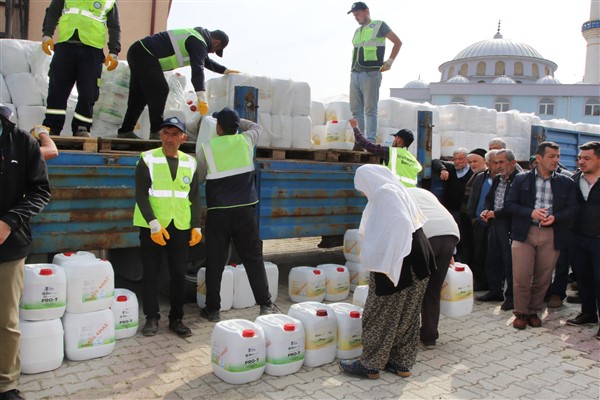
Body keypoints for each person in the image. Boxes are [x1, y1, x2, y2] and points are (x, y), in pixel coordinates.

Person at [339, 164, 434, 379]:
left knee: (379, 312)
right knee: (408, 314)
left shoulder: (383, 193)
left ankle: (370, 365)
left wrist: (391, 259)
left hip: (400, 260)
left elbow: (399, 224)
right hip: (419, 257)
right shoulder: (395, 188)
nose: (362, 192)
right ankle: (401, 363)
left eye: (361, 187)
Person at [197, 107, 278, 322]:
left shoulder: (208, 148)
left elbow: (200, 177)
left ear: (219, 128)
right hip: (244, 211)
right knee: (252, 258)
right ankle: (266, 304)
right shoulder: (246, 141)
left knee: (215, 261)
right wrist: (236, 120)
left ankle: (213, 309)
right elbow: (256, 126)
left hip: (219, 213)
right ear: (236, 127)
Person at [133, 116, 202, 338]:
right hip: (153, 227)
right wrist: (153, 224)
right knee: (151, 274)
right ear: (160, 135)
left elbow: (194, 197)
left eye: (174, 134)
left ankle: (177, 319)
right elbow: (141, 195)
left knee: (178, 275)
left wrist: (196, 226)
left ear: (184, 137)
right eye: (165, 133)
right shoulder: (147, 159)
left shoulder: (190, 162)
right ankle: (151, 318)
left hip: (180, 227)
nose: (169, 138)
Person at [0, 105, 51, 400]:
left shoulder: (22, 142)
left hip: (9, 244)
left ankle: (6, 385)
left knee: (5, 319)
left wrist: (9, 221)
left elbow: (40, 190)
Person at [118, 27, 238, 140]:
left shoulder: (196, 38)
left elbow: (205, 61)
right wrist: (201, 95)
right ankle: (156, 131)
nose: (212, 53)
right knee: (161, 89)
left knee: (139, 96)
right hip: (145, 53)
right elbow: (198, 69)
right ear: (216, 42)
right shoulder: (198, 41)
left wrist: (224, 70)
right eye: (215, 51)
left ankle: (125, 131)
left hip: (137, 51)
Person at [505, 142, 577, 330]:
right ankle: (520, 312)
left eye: (558, 156)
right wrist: (531, 213)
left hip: (551, 233)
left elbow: (573, 208)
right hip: (524, 232)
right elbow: (509, 204)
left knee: (543, 277)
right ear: (539, 158)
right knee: (521, 275)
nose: (556, 160)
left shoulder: (565, 182)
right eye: (552, 156)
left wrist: (556, 217)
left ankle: (534, 311)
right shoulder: (521, 179)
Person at [41, 0, 121, 137]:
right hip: (65, 46)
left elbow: (114, 26)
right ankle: (52, 127)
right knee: (57, 89)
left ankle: (81, 127)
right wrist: (47, 34)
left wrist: (114, 51)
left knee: (88, 92)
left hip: (92, 50)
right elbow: (53, 12)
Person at [407, 187, 459, 348]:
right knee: (433, 288)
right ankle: (429, 337)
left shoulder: (398, 195)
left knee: (413, 288)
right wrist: (450, 252)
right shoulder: (424, 192)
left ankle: (406, 336)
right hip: (451, 233)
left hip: (427, 236)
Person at [348, 2, 401, 142]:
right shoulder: (357, 31)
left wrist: (390, 61)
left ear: (366, 11)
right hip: (355, 73)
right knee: (356, 110)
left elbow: (398, 42)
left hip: (371, 73)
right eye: (354, 15)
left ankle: (370, 140)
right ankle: (359, 140)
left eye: (358, 14)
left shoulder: (379, 25)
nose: (356, 17)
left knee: (370, 109)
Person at [477, 149, 519, 311]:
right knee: (493, 259)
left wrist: (496, 213)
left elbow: (514, 205)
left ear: (513, 163)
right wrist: (486, 210)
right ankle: (495, 291)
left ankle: (512, 298)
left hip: (509, 225)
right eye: (496, 162)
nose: (498, 165)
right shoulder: (498, 179)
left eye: (502, 162)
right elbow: (489, 199)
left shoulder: (519, 180)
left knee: (509, 263)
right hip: (494, 223)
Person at [566, 141, 600, 340]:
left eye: (587, 158)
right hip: (578, 238)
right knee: (584, 277)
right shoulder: (574, 179)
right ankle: (588, 313)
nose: (581, 162)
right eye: (580, 158)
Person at [350, 118, 422, 187]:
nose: (393, 141)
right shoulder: (414, 160)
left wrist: (355, 127)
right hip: (409, 195)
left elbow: (365, 144)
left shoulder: (390, 152)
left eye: (395, 138)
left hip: (394, 192)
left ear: (399, 140)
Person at [432, 148, 473, 263]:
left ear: (467, 160)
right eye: (455, 159)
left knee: (463, 239)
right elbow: (435, 161)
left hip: (464, 212)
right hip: (450, 211)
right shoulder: (450, 168)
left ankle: (463, 263)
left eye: (460, 159)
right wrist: (443, 169)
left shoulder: (472, 173)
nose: (457, 162)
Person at [466, 149, 498, 291]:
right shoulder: (480, 177)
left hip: (496, 222)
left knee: (493, 255)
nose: (497, 165)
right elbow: (473, 198)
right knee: (478, 253)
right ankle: (480, 282)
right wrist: (472, 217)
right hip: (479, 222)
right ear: (488, 163)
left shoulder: (505, 179)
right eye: (494, 162)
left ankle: (494, 284)